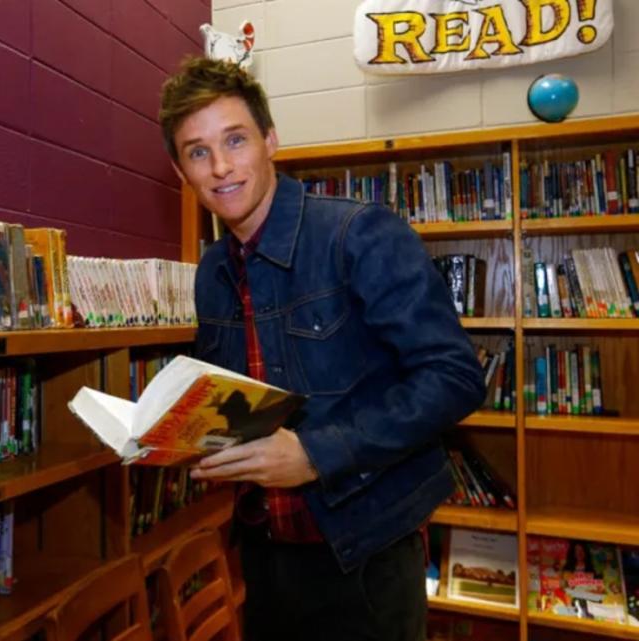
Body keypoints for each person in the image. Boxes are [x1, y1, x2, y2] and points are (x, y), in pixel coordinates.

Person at [159, 56, 486, 641]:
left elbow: (455, 376)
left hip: (367, 557)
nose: (221, 167)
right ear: (180, 169)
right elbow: (236, 400)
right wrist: (183, 437)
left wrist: (315, 454)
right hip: (264, 551)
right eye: (197, 151)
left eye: (235, 140)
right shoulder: (211, 272)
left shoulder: (360, 234)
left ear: (271, 140)